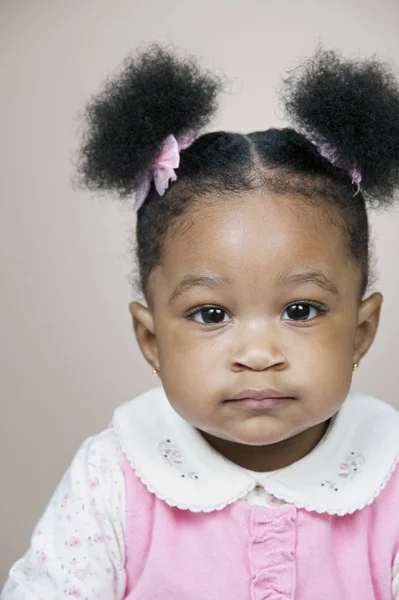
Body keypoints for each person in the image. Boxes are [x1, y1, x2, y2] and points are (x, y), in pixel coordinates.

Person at [3, 44, 399, 599]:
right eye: (211, 314)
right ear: (151, 339)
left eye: (300, 310)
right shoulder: (114, 477)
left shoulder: (389, 473)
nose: (258, 354)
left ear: (361, 331)